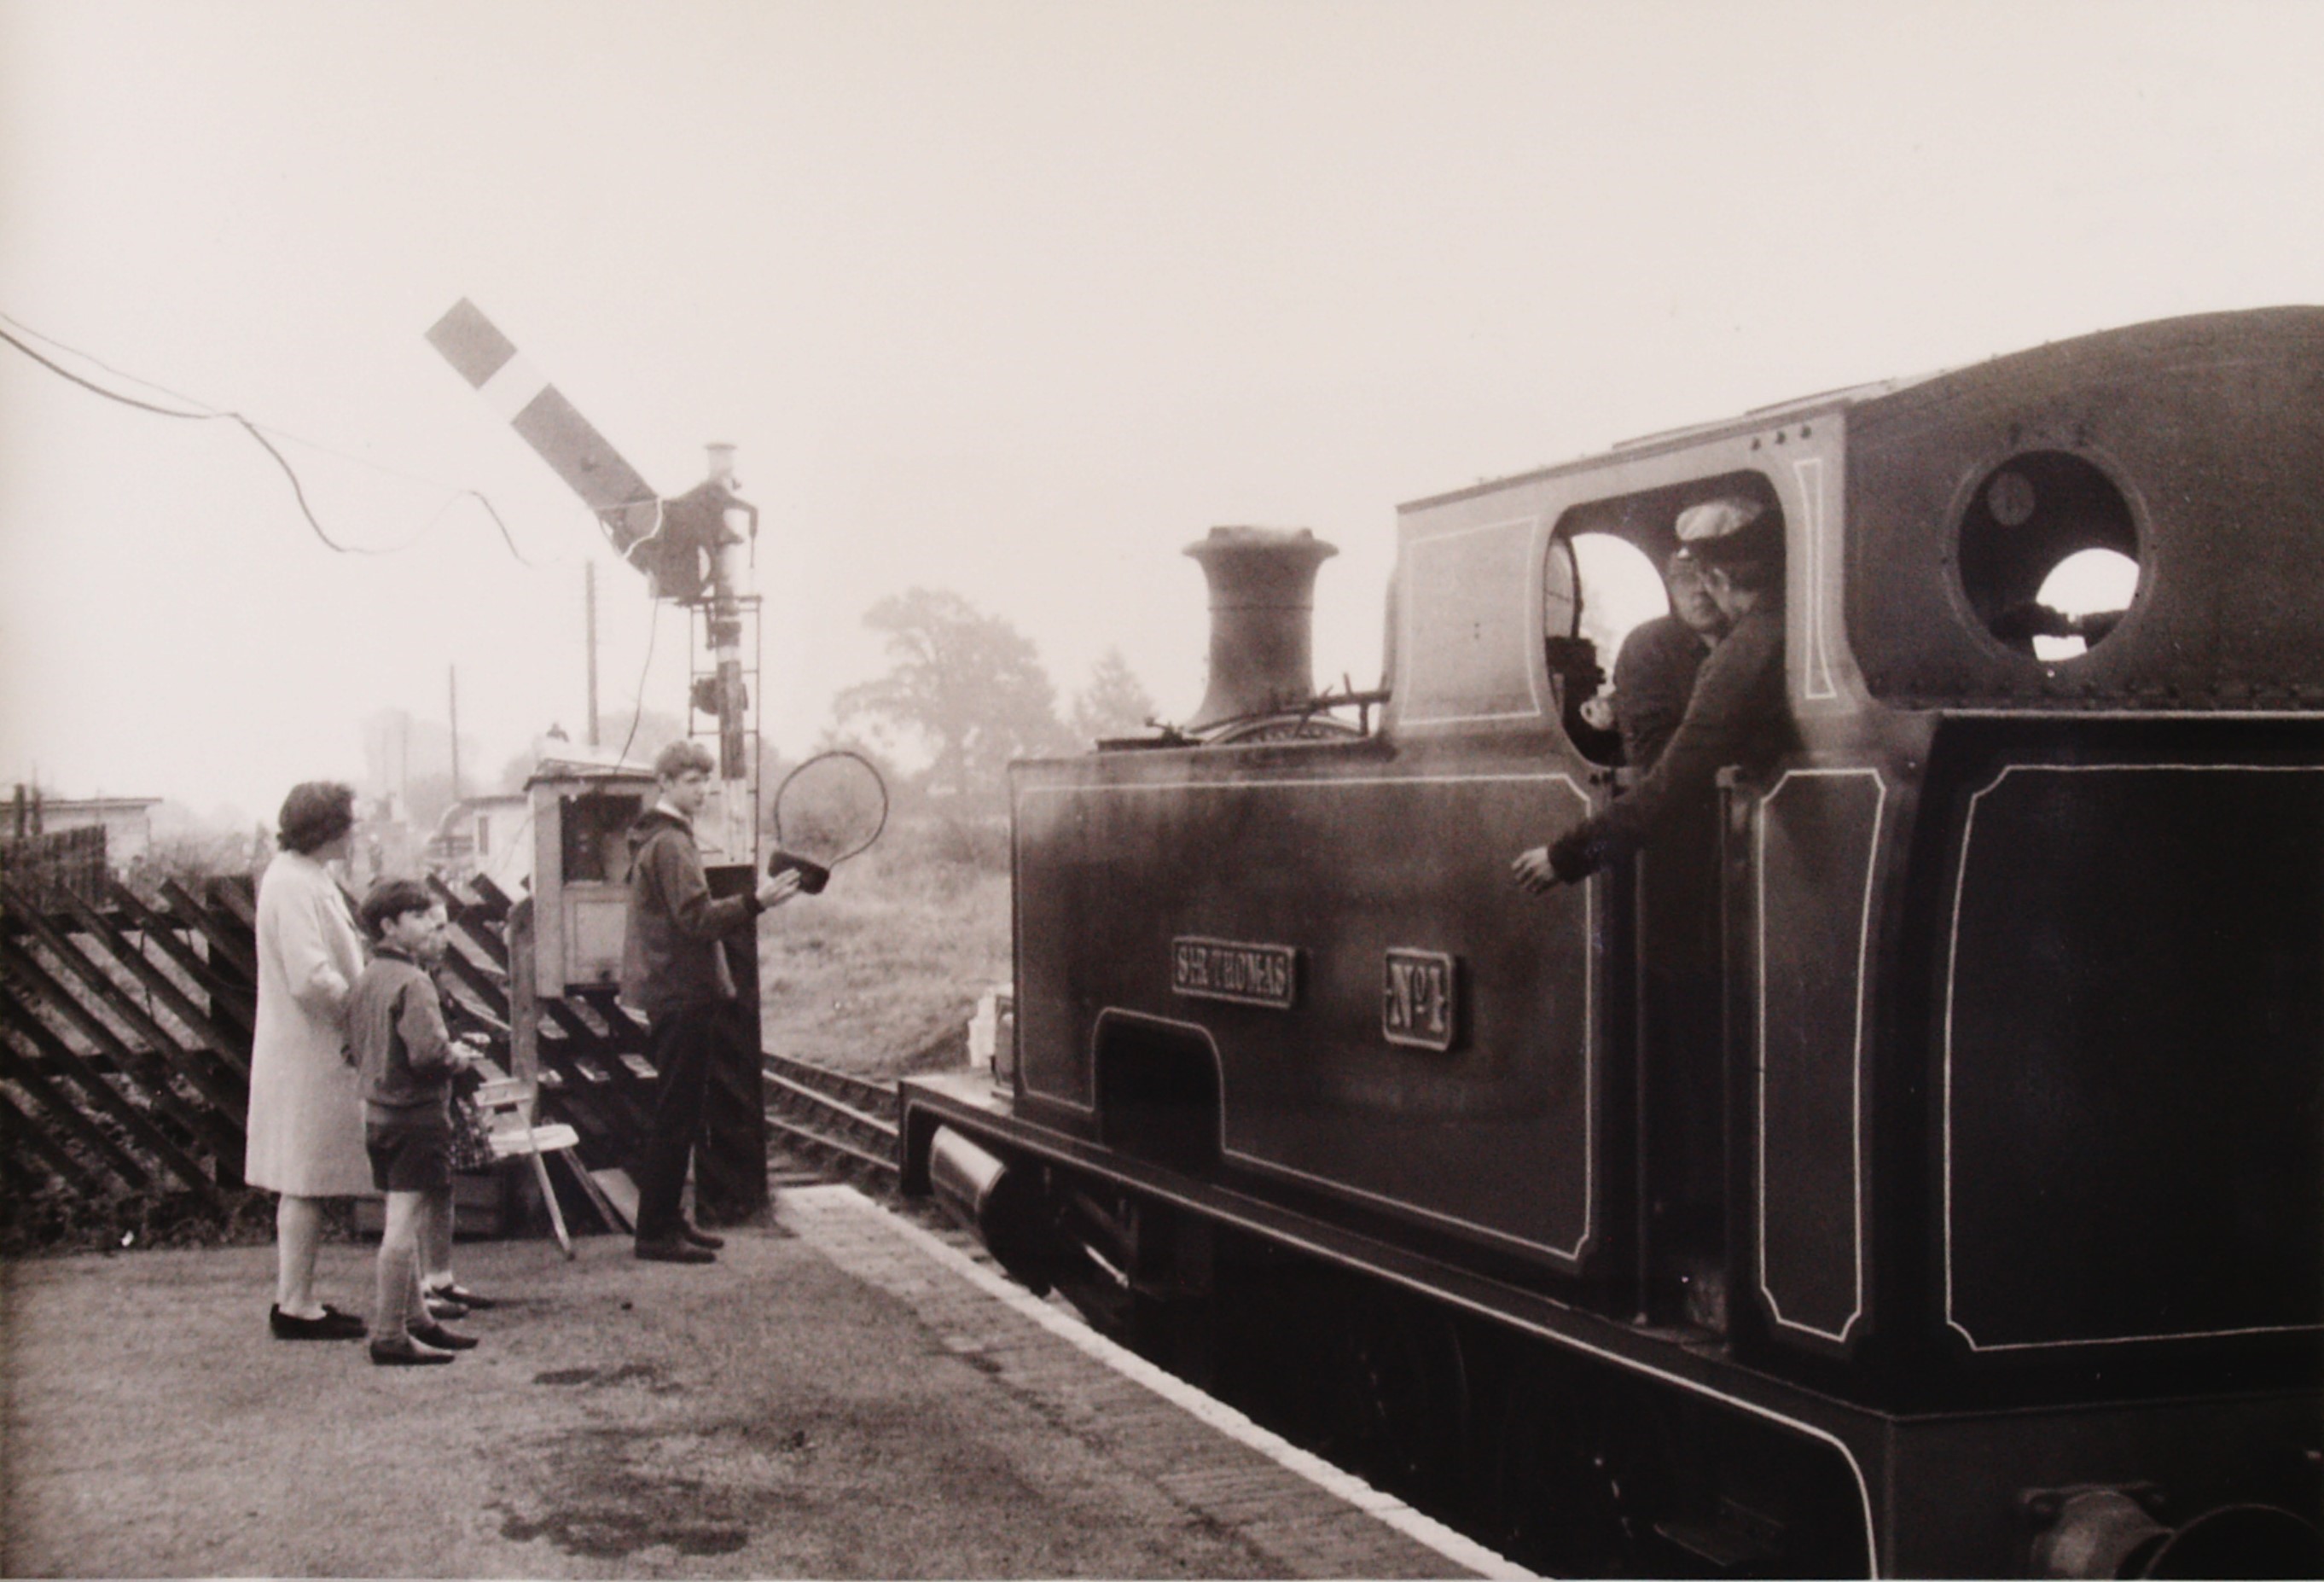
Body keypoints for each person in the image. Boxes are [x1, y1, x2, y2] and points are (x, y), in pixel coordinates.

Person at [1514, 497, 1792, 891]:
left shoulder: (1743, 653)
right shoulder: (1781, 629)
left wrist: (1567, 856)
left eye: (1703, 582)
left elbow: (1674, 779)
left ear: (1717, 580)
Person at [622, 740, 803, 1263]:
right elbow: (696, 919)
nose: (701, 790)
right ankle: (655, 1232)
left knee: (679, 1109)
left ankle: (667, 1221)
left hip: (673, 989)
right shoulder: (672, 844)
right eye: (691, 781)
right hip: (682, 990)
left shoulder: (655, 837)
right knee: (676, 1113)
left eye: (704, 780)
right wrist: (757, 901)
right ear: (666, 784)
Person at [247, 782, 375, 1341]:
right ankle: (294, 1306)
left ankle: (299, 1299)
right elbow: (310, 976)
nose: (356, 831)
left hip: (316, 1049)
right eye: (349, 822)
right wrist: (363, 1008)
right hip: (308, 1050)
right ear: (324, 828)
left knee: (308, 1177)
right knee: (302, 1177)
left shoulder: (308, 876)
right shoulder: (292, 883)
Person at [347, 879, 481, 1365]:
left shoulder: (365, 979)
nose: (431, 927)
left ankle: (419, 1319)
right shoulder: (414, 982)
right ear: (389, 925)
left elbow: (352, 1047)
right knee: (403, 1226)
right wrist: (458, 1057)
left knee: (403, 1213)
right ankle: (389, 1334)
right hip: (416, 1116)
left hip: (378, 1115)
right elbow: (428, 1055)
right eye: (420, 917)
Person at [1610, 549, 1727, 773]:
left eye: (1711, 576)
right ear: (1671, 587)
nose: (1700, 589)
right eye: (1687, 579)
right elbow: (1652, 751)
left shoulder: (1748, 639)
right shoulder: (1647, 645)